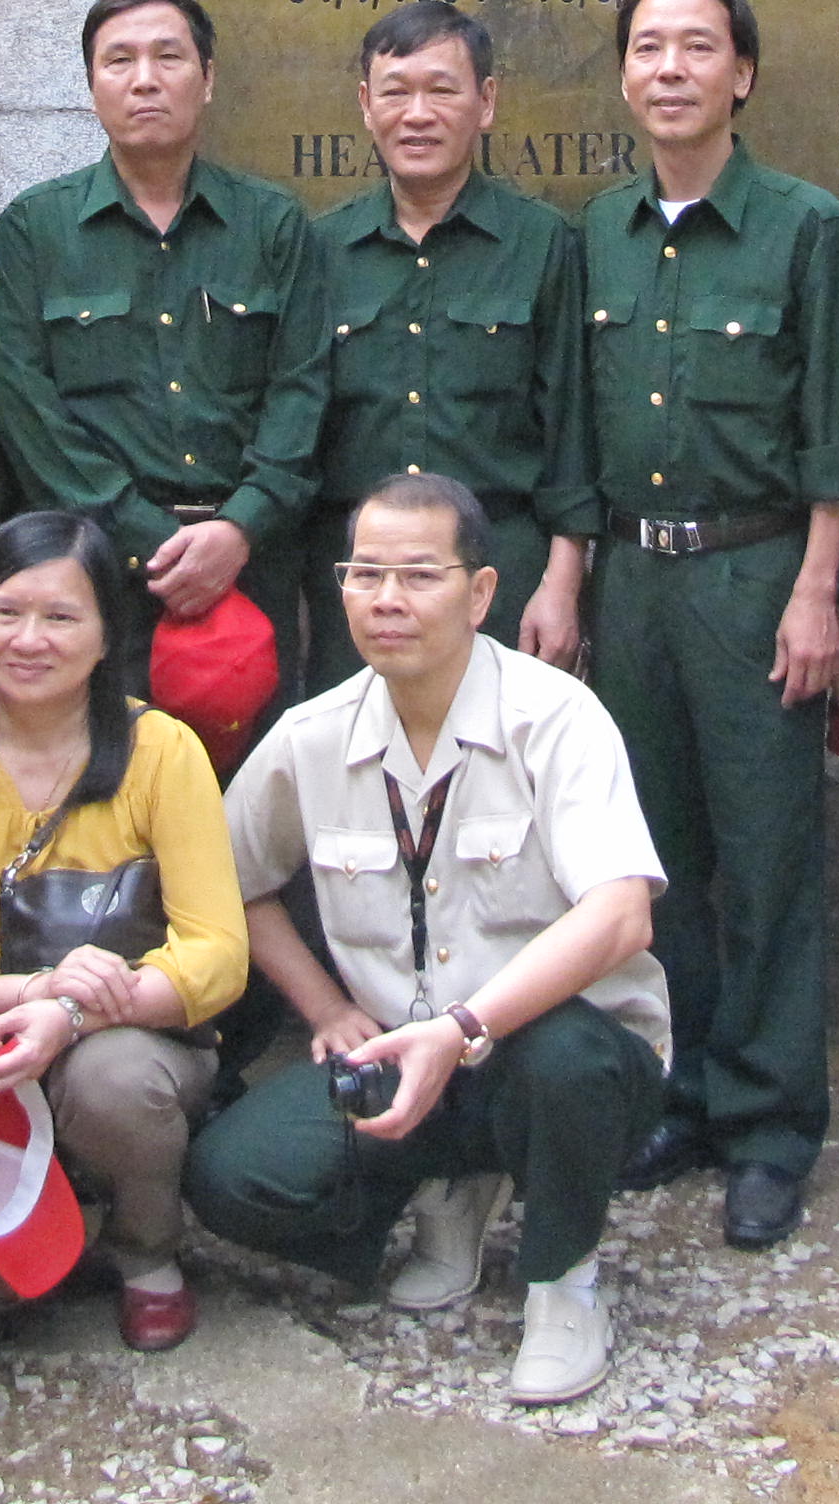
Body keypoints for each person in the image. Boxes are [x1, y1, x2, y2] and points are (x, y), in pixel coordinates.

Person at [185, 475, 670, 1407]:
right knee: (230, 1179)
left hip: (548, 1051)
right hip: (400, 1057)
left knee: (567, 1062)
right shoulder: (312, 736)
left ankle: (562, 1279)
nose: (386, 600)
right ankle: (449, 1188)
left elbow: (621, 915)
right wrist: (325, 1007)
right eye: (364, 574)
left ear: (480, 593)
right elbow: (228, 882)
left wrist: (462, 1029)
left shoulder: (554, 717)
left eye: (418, 575)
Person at [582, 0, 839, 1251]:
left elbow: (832, 429)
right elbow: (579, 425)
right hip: (635, 580)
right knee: (661, 860)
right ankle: (683, 1094)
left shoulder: (805, 229)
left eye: (698, 47)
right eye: (649, 47)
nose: (672, 69)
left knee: (768, 861)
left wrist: (818, 591)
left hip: (758, 577)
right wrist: (574, 580)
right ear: (625, 76)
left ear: (742, 74)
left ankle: (770, 1127)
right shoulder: (599, 231)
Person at [0, 511, 247, 1352]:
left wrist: (70, 1015)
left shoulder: (162, 753)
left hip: (124, 1045)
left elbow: (218, 956)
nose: (29, 640)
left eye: (62, 616)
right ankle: (65, 1227)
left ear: (108, 635)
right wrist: (36, 992)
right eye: (5, 612)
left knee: (114, 1083)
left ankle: (146, 1248)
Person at [0, 0, 329, 679]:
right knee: (107, 750)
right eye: (119, 61)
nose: (145, 79)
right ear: (91, 86)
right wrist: (147, 537)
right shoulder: (36, 228)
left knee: (255, 752)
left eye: (168, 57)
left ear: (208, 79)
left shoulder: (273, 224)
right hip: (95, 567)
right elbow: (30, 410)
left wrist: (239, 528)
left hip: (249, 565)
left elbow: (303, 390)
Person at [305, 0, 596, 689]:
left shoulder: (542, 242)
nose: (418, 114)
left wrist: (562, 583)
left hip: (499, 565)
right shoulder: (322, 248)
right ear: (365, 105)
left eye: (442, 90)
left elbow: (571, 426)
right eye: (396, 92)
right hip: (358, 576)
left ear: (485, 102)